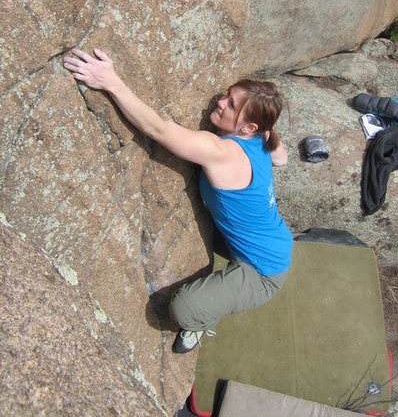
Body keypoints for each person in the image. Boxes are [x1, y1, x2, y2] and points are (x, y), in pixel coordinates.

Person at [63, 48, 293, 353]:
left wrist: (111, 82)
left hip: (264, 273)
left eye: (232, 104)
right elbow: (283, 158)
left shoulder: (222, 151)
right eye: (227, 95)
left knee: (184, 309)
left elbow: (158, 129)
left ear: (248, 127)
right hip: (272, 239)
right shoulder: (262, 137)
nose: (220, 102)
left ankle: (199, 323)